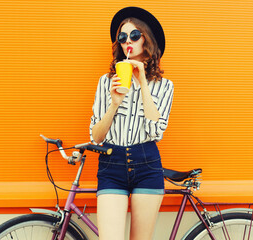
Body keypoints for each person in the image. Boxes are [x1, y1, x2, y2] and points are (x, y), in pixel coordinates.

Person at [89, 6, 174, 240]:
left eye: (135, 35)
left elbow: (156, 131)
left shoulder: (165, 86)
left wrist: (144, 83)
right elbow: (96, 136)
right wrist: (114, 103)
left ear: (148, 41)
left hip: (147, 164)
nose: (128, 41)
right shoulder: (106, 82)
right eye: (123, 37)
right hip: (111, 163)